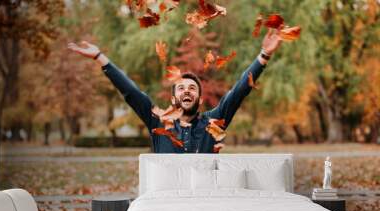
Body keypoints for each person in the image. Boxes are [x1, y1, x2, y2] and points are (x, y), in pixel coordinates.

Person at [68, 30, 282, 153]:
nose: (187, 92)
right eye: (181, 88)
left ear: (199, 98)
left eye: (192, 89)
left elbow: (238, 91)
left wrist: (263, 55)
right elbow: (131, 92)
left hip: (205, 204)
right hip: (166, 205)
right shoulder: (158, 122)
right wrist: (100, 58)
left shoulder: (214, 121)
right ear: (173, 98)